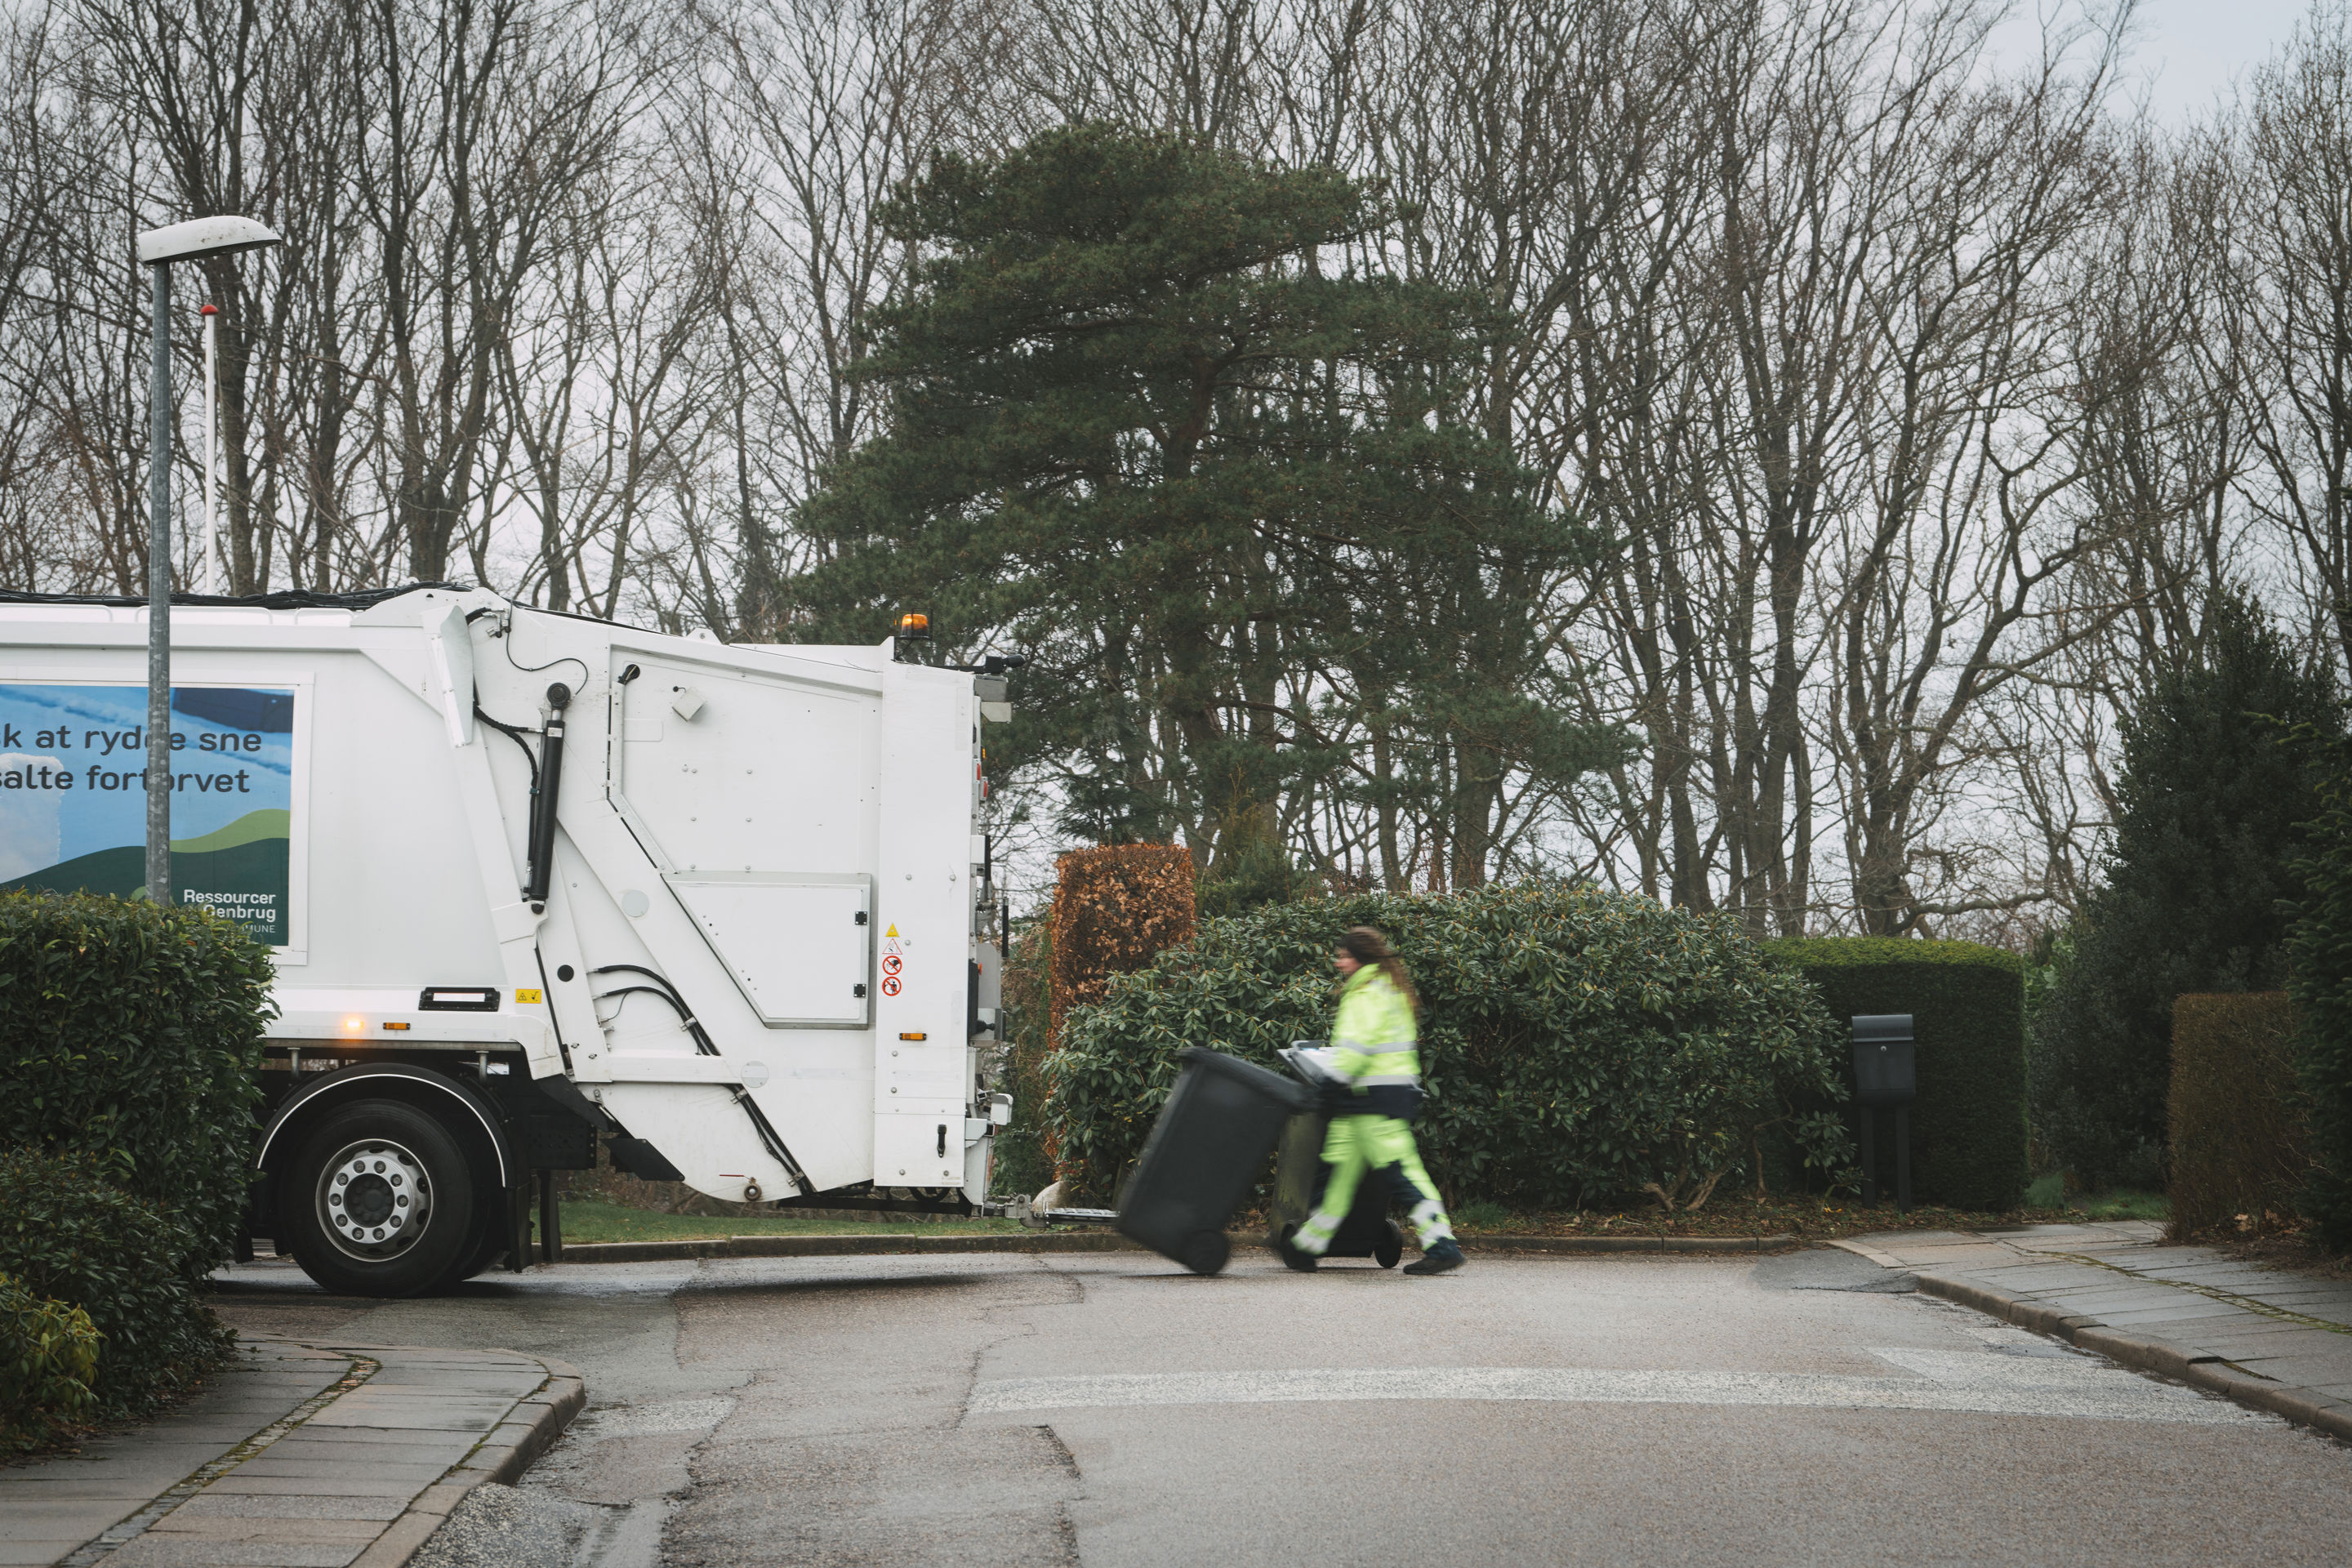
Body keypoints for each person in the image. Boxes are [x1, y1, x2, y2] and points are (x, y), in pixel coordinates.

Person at [1283, 925, 1464, 1276]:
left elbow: (1356, 1049)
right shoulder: (1387, 989)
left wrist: (1328, 1086)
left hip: (1374, 1099)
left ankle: (1443, 1246)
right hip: (1370, 1099)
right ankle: (1307, 1245)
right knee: (1336, 1173)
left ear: (1360, 958)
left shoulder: (1367, 993)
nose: (1339, 963)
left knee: (1401, 1172)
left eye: (1344, 956)